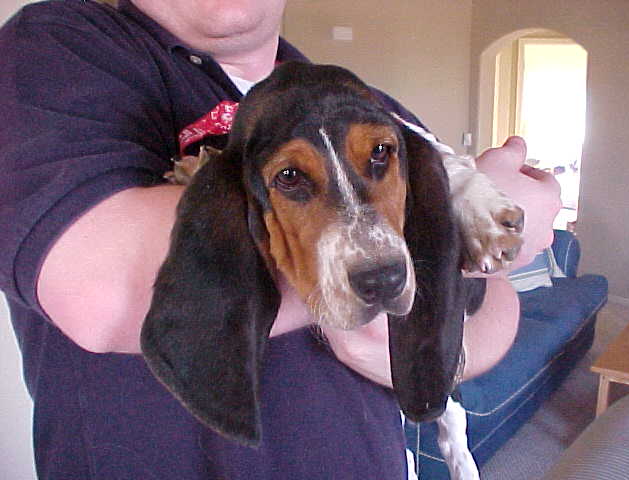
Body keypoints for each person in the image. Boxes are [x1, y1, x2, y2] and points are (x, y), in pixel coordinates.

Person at [0, 0, 561, 478]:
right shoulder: (58, 47)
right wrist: (438, 233)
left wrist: (418, 345)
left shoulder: (365, 107)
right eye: (290, 176)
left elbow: (493, 302)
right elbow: (103, 292)